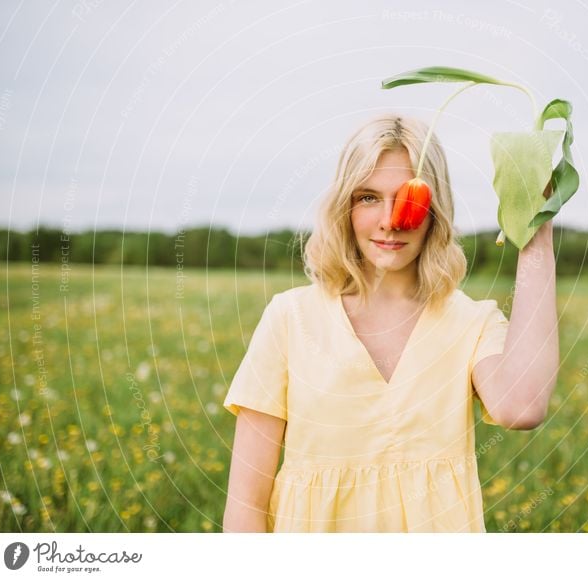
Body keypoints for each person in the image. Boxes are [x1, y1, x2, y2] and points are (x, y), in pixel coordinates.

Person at [222, 114, 559, 533]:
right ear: (343, 206)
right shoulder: (289, 319)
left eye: (408, 198)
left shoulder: (471, 322)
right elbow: (244, 507)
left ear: (436, 210)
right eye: (367, 197)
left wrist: (536, 233)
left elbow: (522, 406)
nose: (391, 220)